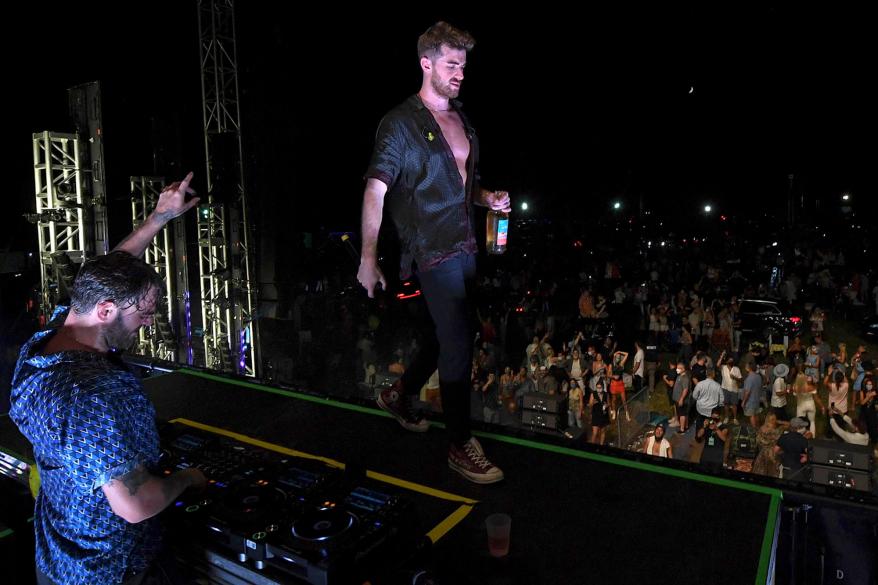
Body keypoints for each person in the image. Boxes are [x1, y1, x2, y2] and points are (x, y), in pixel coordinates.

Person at [9, 174, 207, 585]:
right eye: (143, 313)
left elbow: (101, 277)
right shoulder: (92, 392)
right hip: (107, 569)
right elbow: (135, 504)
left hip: (57, 555)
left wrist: (158, 218)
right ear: (105, 310)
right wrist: (188, 478)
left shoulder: (44, 344)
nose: (148, 323)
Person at [358, 22, 510, 484]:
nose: (460, 72)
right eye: (451, 64)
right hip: (430, 249)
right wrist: (367, 256)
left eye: (463, 65)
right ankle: (460, 444)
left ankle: (399, 394)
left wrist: (488, 198)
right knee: (460, 336)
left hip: (465, 244)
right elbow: (375, 190)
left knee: (447, 335)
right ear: (426, 63)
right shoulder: (400, 123)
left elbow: (461, 186)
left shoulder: (462, 119)